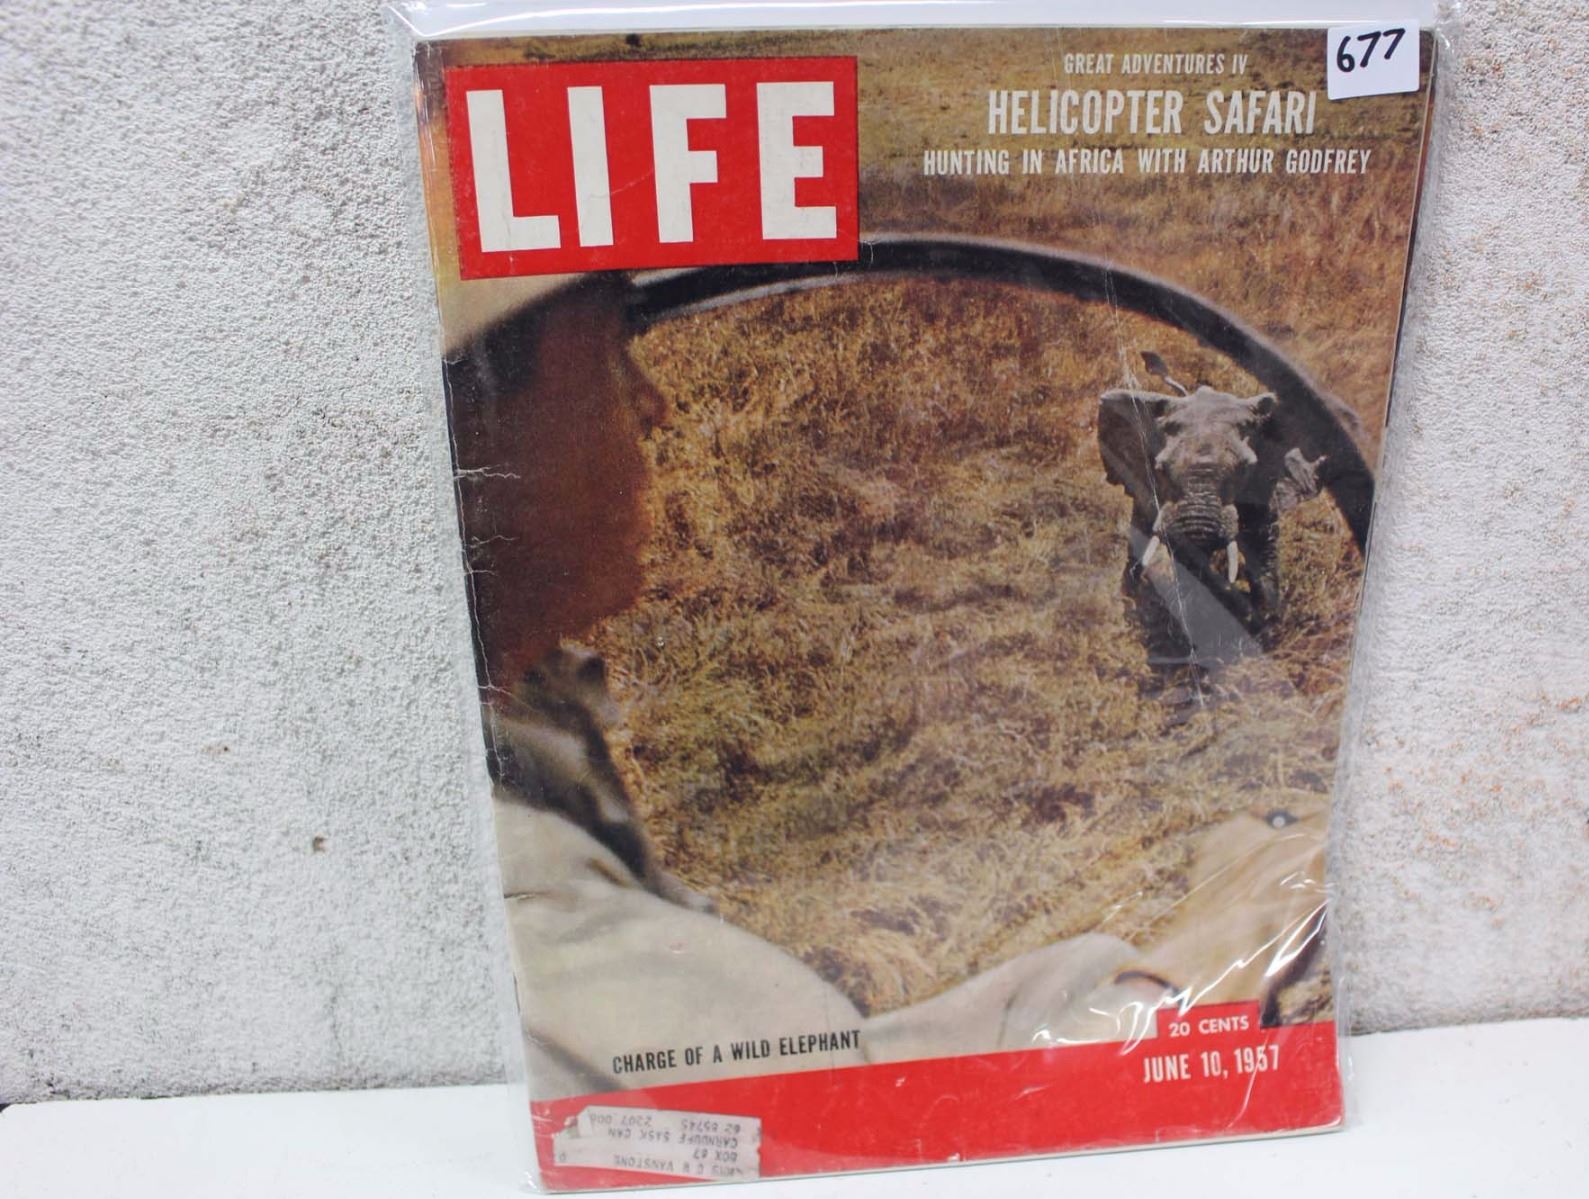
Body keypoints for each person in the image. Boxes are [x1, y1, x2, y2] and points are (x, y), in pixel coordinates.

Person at [442, 275, 1324, 1098]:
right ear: (475, 425)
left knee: (1077, 965)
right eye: (609, 355)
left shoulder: (518, 721)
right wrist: (1225, 935)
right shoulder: (533, 904)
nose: (652, 405)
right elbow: (848, 1118)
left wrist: (1110, 973)